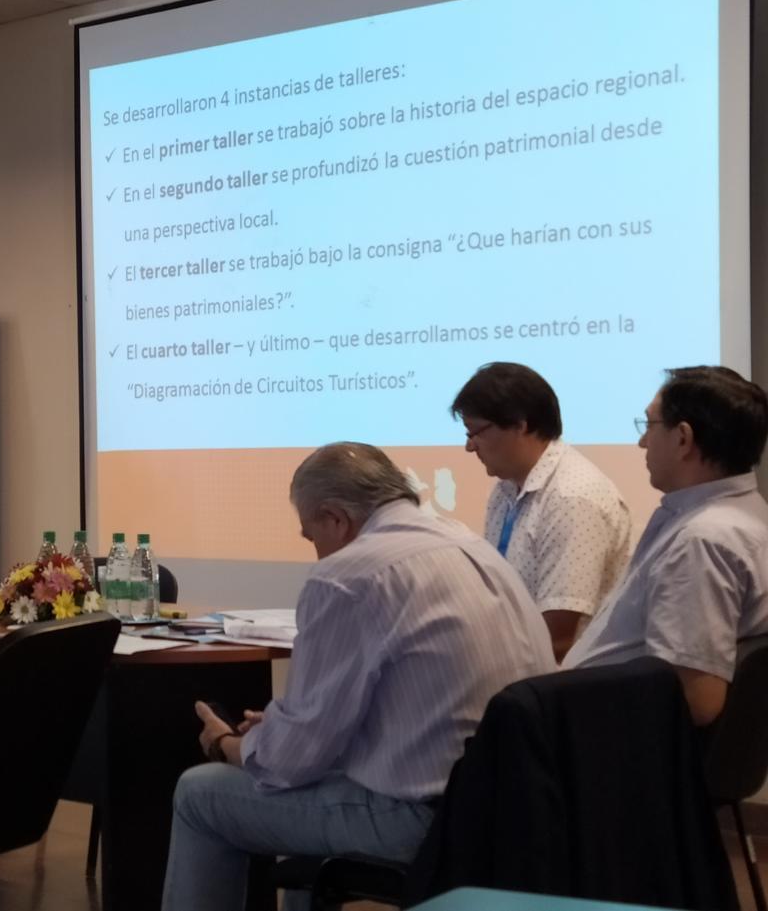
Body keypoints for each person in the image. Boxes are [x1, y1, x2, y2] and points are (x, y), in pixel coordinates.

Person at [161, 443, 555, 911]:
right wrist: (285, 730)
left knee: (201, 792)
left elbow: (290, 762)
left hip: (423, 823)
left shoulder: (348, 575)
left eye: (311, 536)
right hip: (515, 811)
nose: (315, 552)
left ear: (335, 518)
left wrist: (228, 745)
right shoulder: (472, 546)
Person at [563, 366, 768, 726]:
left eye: (649, 425)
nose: (642, 442)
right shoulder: (739, 512)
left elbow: (696, 701)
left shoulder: (702, 540)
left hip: (610, 740)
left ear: (683, 439)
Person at [451, 362, 631, 660]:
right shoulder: (506, 488)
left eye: (475, 432)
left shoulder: (572, 498)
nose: (469, 447)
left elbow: (559, 638)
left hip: (567, 679)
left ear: (519, 425)